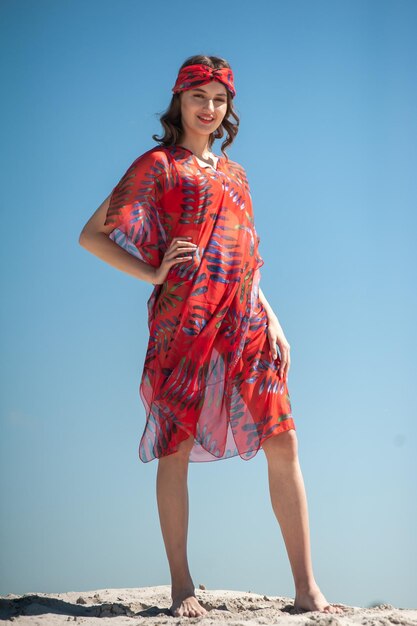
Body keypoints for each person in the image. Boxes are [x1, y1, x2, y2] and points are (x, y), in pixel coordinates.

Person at [79, 54, 347, 619]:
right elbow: (92, 235)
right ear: (179, 101)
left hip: (245, 319)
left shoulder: (236, 175)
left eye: (219, 99)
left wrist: (273, 316)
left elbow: (246, 254)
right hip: (185, 321)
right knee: (173, 447)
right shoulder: (156, 165)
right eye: (198, 95)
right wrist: (152, 273)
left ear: (228, 109)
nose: (208, 107)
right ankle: (181, 585)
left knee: (284, 439)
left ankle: (307, 589)